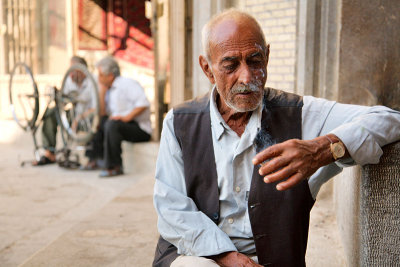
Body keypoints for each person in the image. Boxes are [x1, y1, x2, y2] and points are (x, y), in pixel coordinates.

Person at [152, 9, 400, 267]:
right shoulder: (178, 122)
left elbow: (390, 119)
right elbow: (171, 209)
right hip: (197, 254)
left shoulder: (301, 115)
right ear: (208, 69)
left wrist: (323, 149)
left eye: (255, 60)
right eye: (230, 65)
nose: (246, 78)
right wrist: (225, 256)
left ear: (267, 57)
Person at [83, 56, 152, 177]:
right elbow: (103, 112)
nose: (98, 79)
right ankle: (95, 159)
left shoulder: (127, 84)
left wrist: (127, 117)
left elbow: (143, 104)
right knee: (99, 121)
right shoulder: (109, 89)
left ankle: (114, 166)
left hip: (140, 129)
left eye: (100, 75)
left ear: (110, 75)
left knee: (112, 125)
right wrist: (102, 92)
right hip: (121, 125)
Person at [33, 56, 96, 166]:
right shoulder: (69, 81)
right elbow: (64, 102)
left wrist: (78, 119)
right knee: (51, 112)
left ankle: (89, 158)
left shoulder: (93, 81)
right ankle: (49, 153)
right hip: (73, 116)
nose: (70, 73)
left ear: (81, 70)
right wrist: (58, 97)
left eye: (73, 70)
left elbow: (97, 108)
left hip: (88, 118)